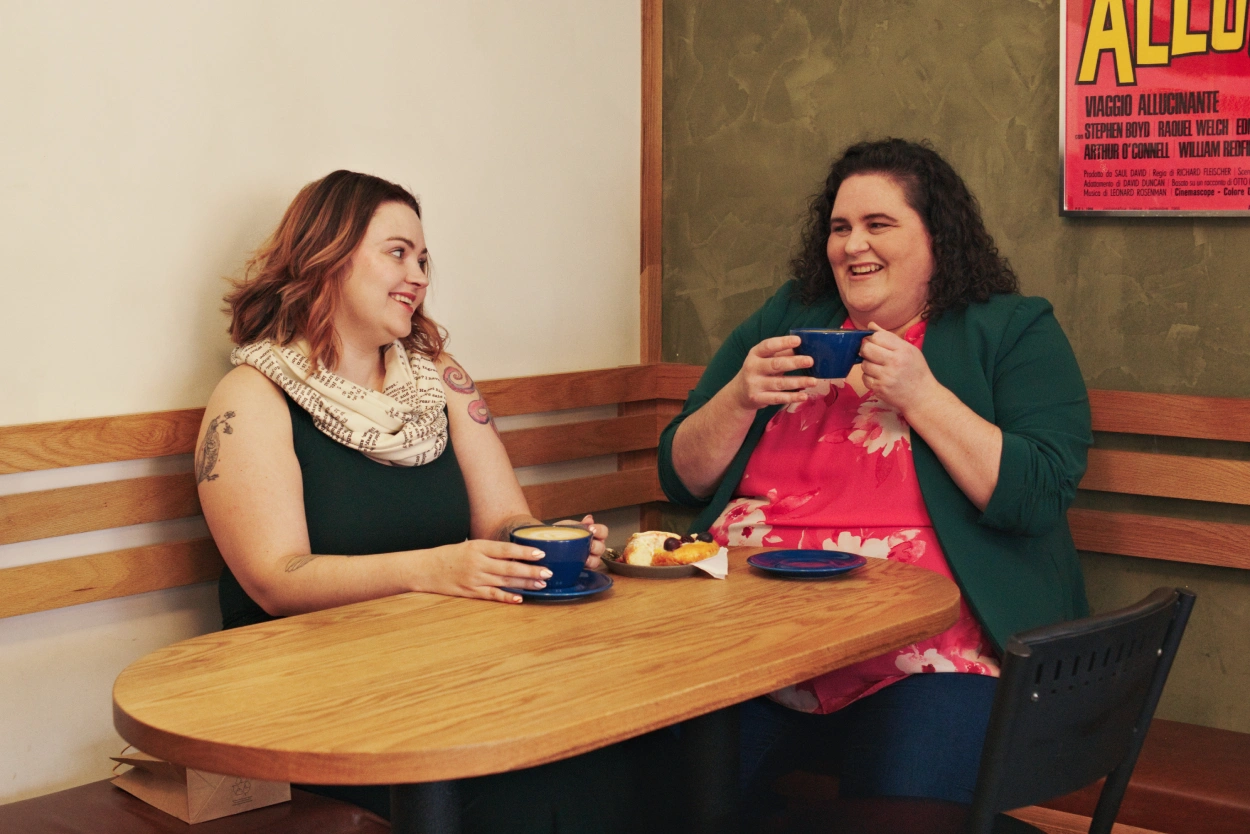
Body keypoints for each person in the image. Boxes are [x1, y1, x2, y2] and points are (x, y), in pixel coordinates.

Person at [196, 170, 671, 833]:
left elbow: (504, 518)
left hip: (439, 676)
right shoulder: (252, 397)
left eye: (423, 258)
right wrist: (436, 568)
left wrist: (547, 542)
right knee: (519, 801)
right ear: (328, 257)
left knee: (608, 764)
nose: (418, 273)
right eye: (397, 252)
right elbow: (274, 581)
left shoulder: (440, 381)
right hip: (305, 701)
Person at [657, 139, 1091, 819]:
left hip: (929, 657)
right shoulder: (788, 317)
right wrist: (740, 395)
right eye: (839, 227)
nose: (852, 245)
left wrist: (924, 397)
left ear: (937, 237)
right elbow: (680, 475)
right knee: (659, 792)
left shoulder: (1009, 329)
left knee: (899, 805)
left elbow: (1037, 495)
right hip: (751, 650)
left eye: (877, 224)